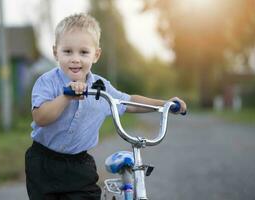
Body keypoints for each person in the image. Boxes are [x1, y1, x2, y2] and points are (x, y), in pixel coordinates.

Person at [25, 13, 187, 200]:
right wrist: (65, 96)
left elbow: (129, 102)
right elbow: (41, 118)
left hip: (80, 165)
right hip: (44, 163)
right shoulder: (47, 82)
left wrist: (165, 104)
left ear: (96, 55)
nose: (75, 59)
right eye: (67, 51)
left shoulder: (101, 88)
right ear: (56, 53)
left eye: (83, 52)